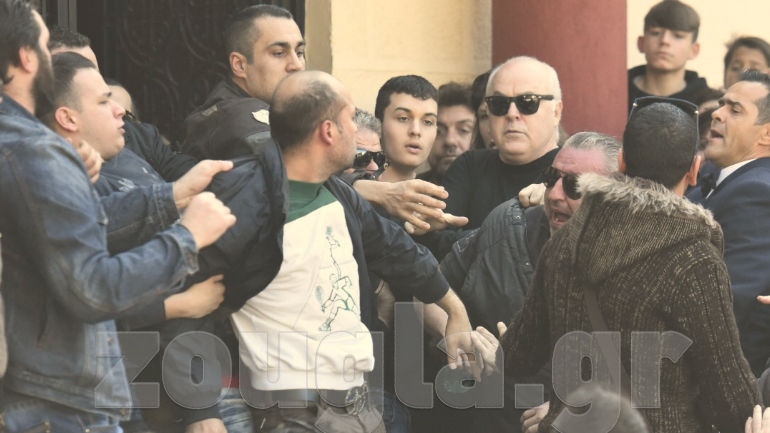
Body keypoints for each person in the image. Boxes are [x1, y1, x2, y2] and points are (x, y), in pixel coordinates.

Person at [150, 70, 478, 432]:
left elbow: (397, 250)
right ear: (328, 132)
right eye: (350, 118)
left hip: (358, 403)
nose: (358, 128)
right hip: (294, 410)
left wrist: (454, 309)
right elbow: (183, 301)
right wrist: (199, 410)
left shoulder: (337, 192)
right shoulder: (241, 200)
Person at [0, 2, 236, 430]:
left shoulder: (26, 142)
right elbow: (92, 288)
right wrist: (187, 237)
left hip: (60, 395)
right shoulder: (32, 149)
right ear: (27, 57)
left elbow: (76, 230)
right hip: (59, 402)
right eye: (44, 45)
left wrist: (173, 195)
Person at [500, 101, 760, 432]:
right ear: (694, 170)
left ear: (622, 162)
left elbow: (518, 357)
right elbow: (729, 396)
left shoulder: (565, 242)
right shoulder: (695, 261)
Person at [686, 69, 770, 376]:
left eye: (735, 110)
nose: (717, 113)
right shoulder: (712, 178)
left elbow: (729, 307)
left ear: (767, 134)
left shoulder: (757, 191)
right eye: (722, 104)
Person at [181, 4, 305, 160]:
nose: (297, 65)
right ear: (239, 65)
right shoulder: (241, 120)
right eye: (279, 53)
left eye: (299, 53)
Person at [628, 0, 708, 112]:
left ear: (694, 50)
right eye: (656, 33)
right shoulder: (616, 91)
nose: (664, 40)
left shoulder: (706, 104)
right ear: (641, 43)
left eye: (678, 36)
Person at [376, 75, 438, 184]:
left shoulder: (437, 194)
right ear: (377, 125)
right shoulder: (350, 190)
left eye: (427, 122)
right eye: (403, 118)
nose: (416, 131)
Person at [419, 81, 474, 186]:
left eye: (464, 130)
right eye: (438, 131)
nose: (450, 140)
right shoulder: (407, 191)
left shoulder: (500, 193)